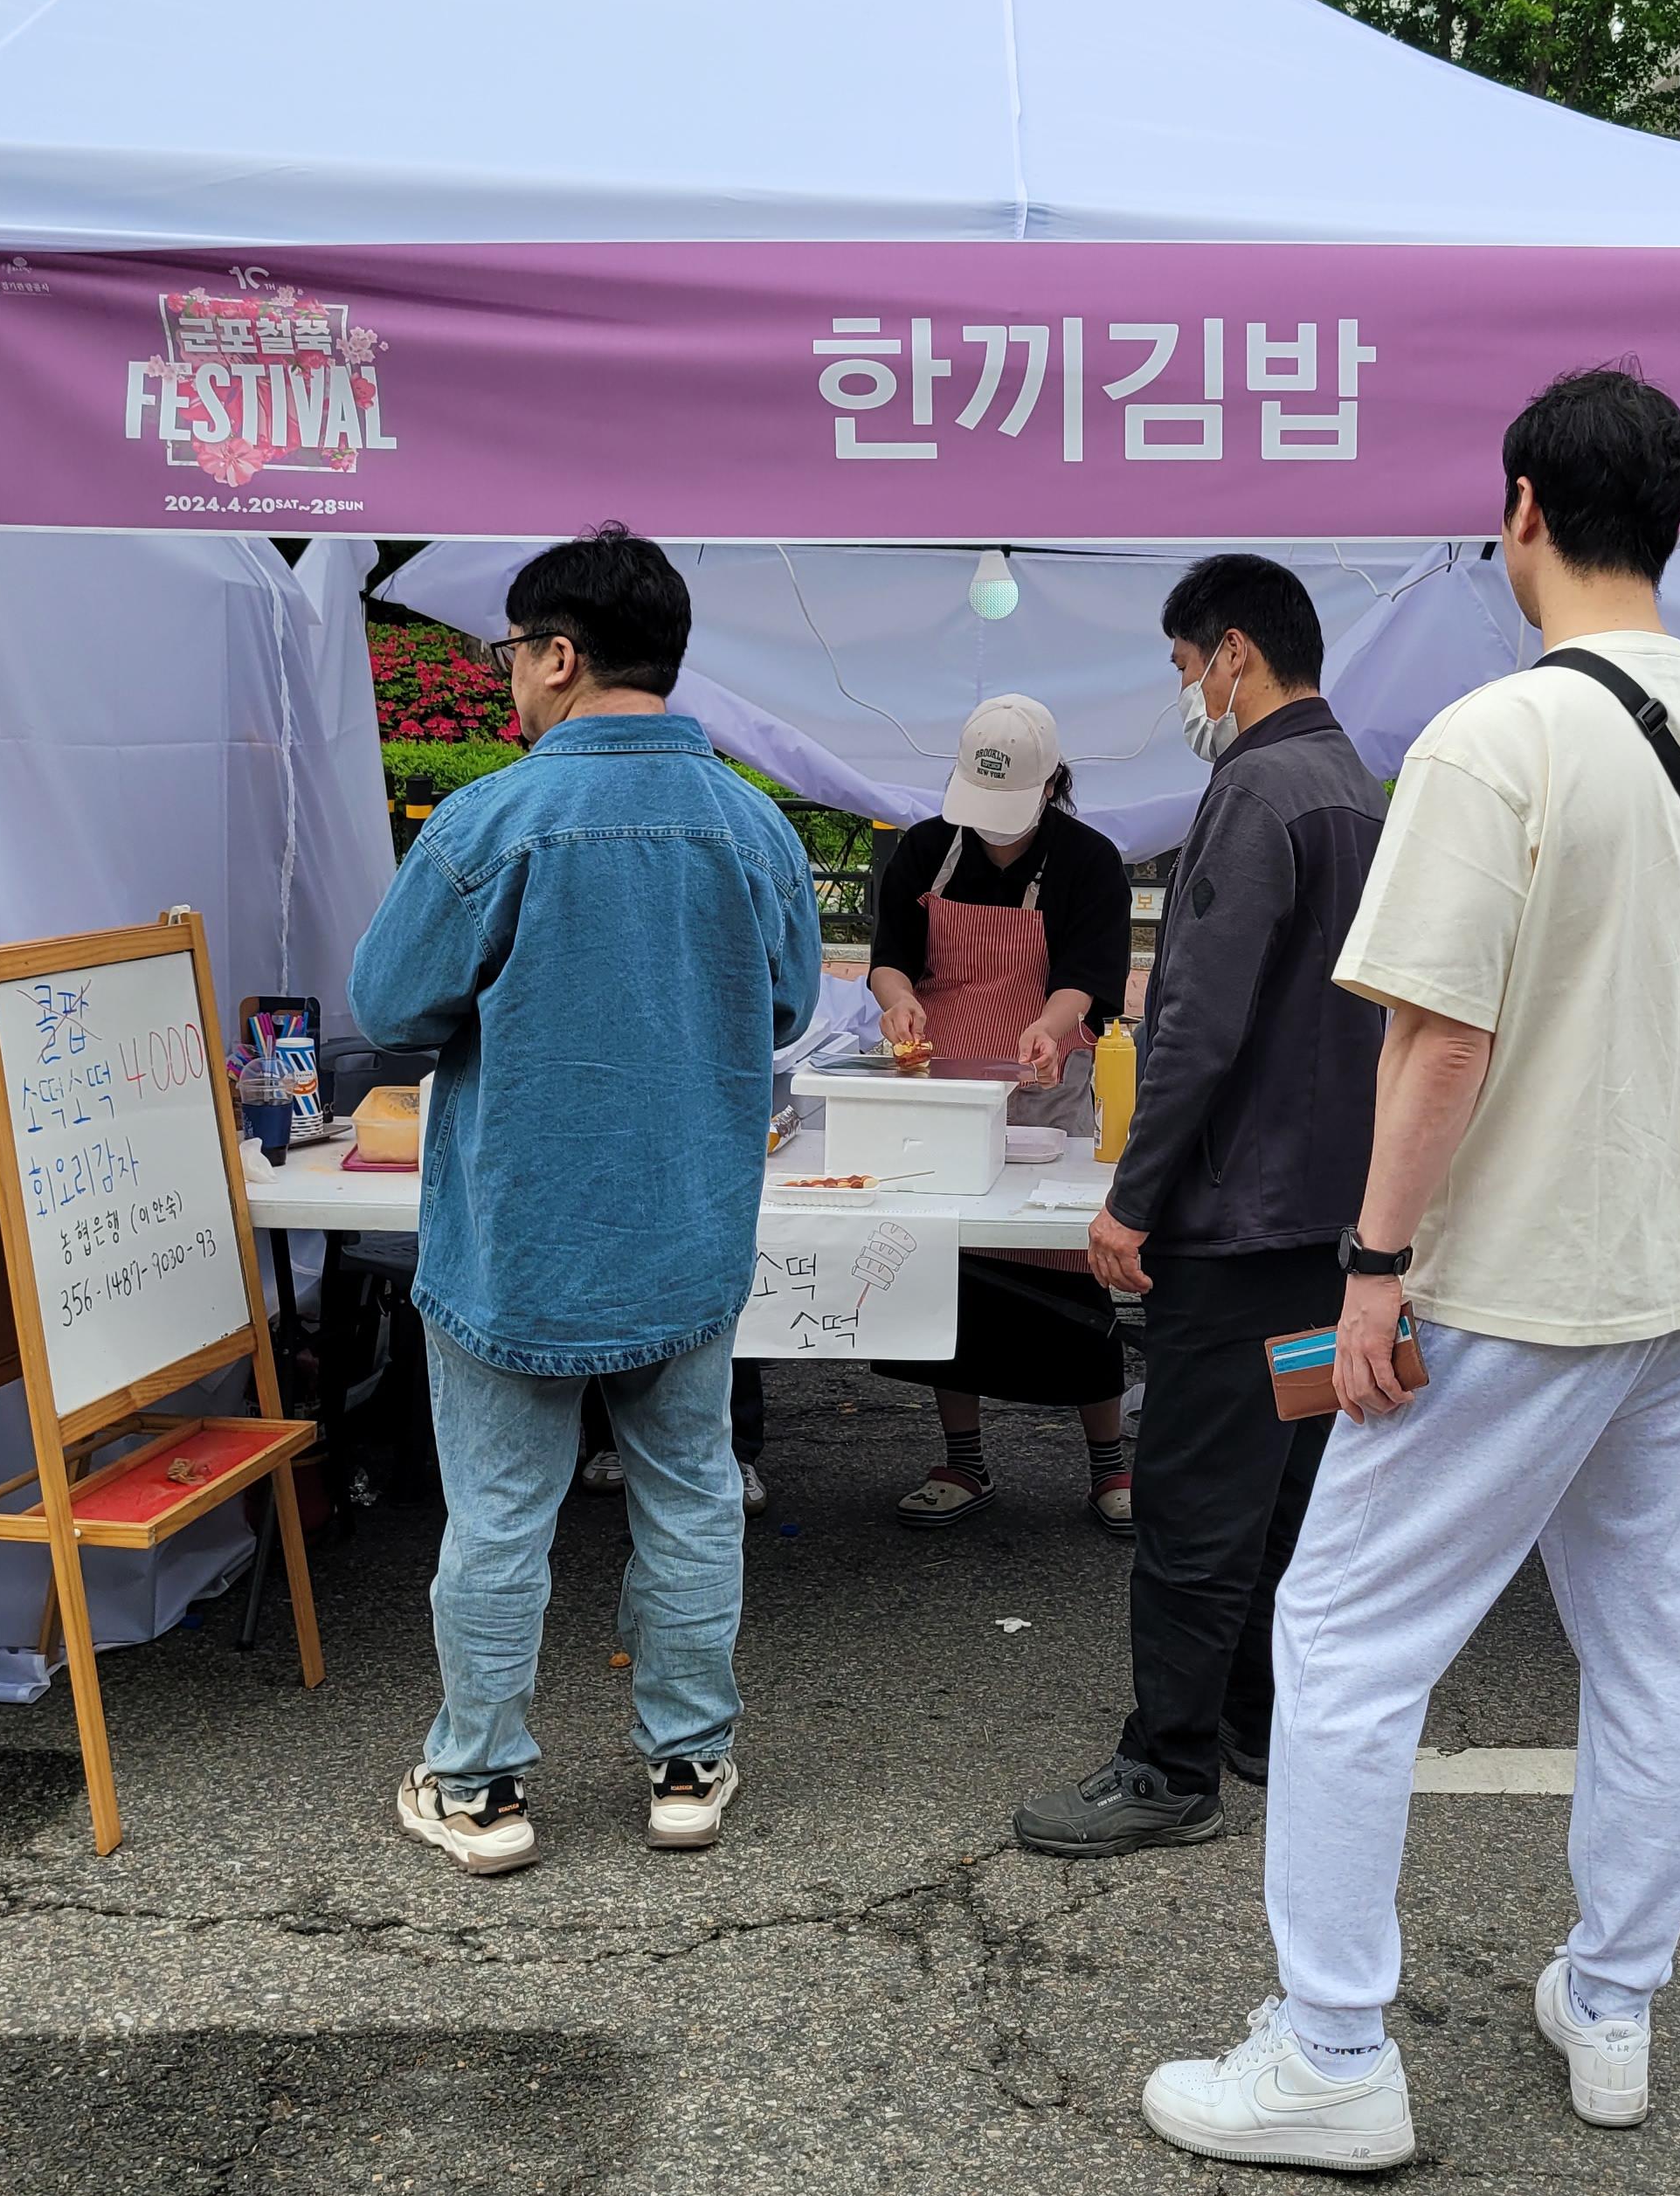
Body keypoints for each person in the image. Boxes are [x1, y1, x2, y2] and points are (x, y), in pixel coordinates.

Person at [1139, 370, 1680, 2173]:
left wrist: (1373, 1267)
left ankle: (1330, 2051)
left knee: (1343, 1638)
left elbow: (1435, 1043)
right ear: (1672, 520)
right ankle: (1611, 2004)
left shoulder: (1490, 739)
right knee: (1649, 1646)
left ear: (1519, 504)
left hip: (1514, 1281)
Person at [351, 526, 821, 1878]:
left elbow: (387, 1008)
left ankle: (480, 1786)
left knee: (501, 1513)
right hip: (685, 1228)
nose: (506, 676)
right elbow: (788, 1006)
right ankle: (687, 1767)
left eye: (511, 652)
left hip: (518, 1237)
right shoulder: (753, 825)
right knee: (691, 1498)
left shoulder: (488, 823)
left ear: (559, 655)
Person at [1013, 556, 1386, 1859]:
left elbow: (1196, 1026)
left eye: (1183, 665)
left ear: (1232, 652)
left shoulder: (1257, 789)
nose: (1185, 692)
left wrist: (1133, 1198)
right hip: (1327, 1223)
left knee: (1190, 1497)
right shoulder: (1352, 785)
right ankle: (1255, 1718)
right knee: (1284, 1486)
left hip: (1236, 1220)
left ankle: (1168, 1765)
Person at [865, 694, 1137, 1530]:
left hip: (1043, 1086)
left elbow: (1088, 978)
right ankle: (965, 1459)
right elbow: (889, 958)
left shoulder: (1088, 861)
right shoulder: (926, 849)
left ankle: (1109, 1464)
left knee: (1067, 1272)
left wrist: (1050, 1027)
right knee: (955, 1276)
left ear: (1050, 784)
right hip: (945, 1091)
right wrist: (898, 1003)